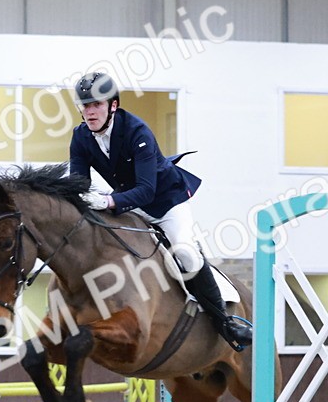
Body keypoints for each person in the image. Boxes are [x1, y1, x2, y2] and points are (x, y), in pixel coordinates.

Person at [68, 72, 251, 350]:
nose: (89, 112)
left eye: (96, 105)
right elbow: (77, 184)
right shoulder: (81, 137)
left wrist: (106, 201)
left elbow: (146, 191)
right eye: (85, 106)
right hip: (129, 205)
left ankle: (224, 323)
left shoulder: (136, 131)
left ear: (113, 105)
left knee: (185, 254)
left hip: (165, 204)